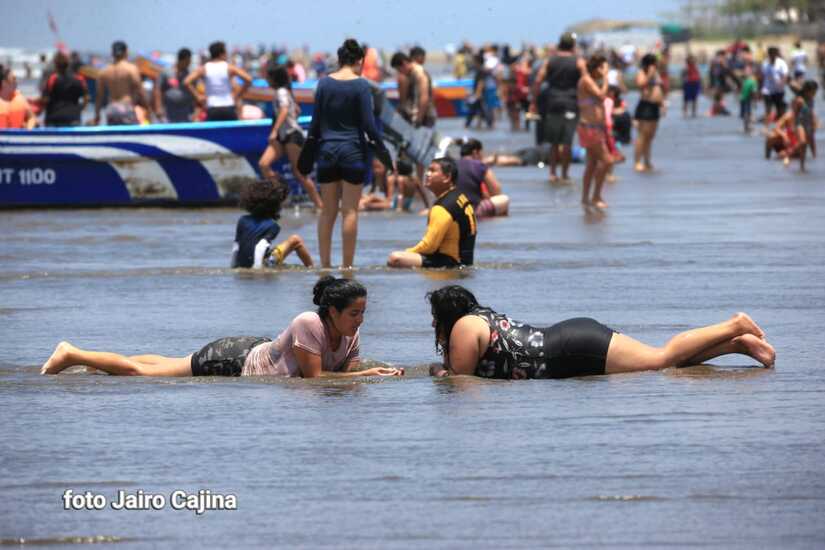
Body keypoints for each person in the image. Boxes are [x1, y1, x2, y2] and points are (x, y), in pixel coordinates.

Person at [42, 276, 404, 378]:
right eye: (354, 313)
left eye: (363, 312)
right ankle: (72, 354)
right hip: (234, 361)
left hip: (251, 349)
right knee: (143, 373)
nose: (360, 320)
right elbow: (316, 379)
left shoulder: (350, 333)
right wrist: (365, 376)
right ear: (332, 311)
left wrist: (376, 374)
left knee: (169, 363)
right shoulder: (309, 322)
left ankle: (98, 364)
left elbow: (346, 371)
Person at [426, 285, 775, 380]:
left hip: (572, 349)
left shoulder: (463, 326)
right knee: (665, 362)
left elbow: (462, 381)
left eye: (434, 318)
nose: (432, 325)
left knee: (661, 359)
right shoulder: (478, 318)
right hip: (571, 341)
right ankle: (736, 345)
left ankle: (734, 324)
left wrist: (436, 371)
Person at [308, 39, 384, 268]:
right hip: (353, 152)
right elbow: (369, 125)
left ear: (339, 60)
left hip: (327, 153)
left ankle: (325, 266)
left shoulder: (323, 84)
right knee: (349, 211)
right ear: (359, 61)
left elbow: (315, 124)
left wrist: (308, 152)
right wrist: (382, 149)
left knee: (327, 211)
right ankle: (347, 268)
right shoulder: (361, 85)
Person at [387, 157, 476, 269]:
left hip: (450, 262)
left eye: (432, 171)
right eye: (428, 170)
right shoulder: (460, 196)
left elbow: (429, 246)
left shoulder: (442, 207)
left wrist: (407, 252)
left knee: (395, 258)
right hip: (464, 261)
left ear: (447, 177)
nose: (427, 174)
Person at [258, 65, 323, 209]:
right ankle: (282, 192)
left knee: (299, 173)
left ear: (274, 79)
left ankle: (319, 205)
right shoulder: (286, 92)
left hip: (292, 135)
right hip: (283, 136)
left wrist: (275, 130)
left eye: (268, 78)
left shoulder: (281, 92)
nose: (266, 80)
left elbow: (284, 109)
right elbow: (297, 110)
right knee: (264, 164)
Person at [530, 32, 585, 183]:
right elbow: (585, 80)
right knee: (567, 141)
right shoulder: (578, 62)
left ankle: (552, 173)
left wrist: (533, 101)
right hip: (571, 103)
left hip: (553, 102)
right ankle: (565, 174)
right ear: (573, 45)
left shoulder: (550, 60)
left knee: (554, 141)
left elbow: (538, 80)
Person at [231, 179, 313, 269]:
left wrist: (234, 266)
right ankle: (311, 268)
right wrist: (257, 269)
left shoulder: (242, 220)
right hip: (261, 264)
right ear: (275, 205)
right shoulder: (273, 225)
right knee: (296, 240)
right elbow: (261, 246)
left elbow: (236, 246)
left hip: (241, 263)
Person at [184, 41, 252, 122]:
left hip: (212, 107)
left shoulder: (204, 68)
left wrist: (198, 97)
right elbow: (248, 79)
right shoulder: (229, 67)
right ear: (221, 54)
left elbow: (187, 82)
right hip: (228, 106)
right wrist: (237, 95)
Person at [577, 54, 611, 208]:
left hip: (595, 127)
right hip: (589, 128)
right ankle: (596, 196)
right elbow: (602, 95)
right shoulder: (586, 80)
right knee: (607, 161)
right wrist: (606, 77)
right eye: (602, 68)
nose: (603, 72)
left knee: (591, 164)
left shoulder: (591, 81)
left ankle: (586, 198)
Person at [94, 41, 148, 126]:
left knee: (114, 134)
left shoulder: (104, 71)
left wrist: (97, 114)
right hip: (126, 107)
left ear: (112, 53)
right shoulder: (131, 69)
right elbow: (140, 91)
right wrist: (147, 108)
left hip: (111, 109)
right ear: (126, 52)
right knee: (130, 133)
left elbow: (99, 96)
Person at [456, 138, 509, 218]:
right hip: (473, 210)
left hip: (451, 209)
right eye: (481, 154)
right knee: (504, 199)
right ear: (475, 152)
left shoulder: (451, 165)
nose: (482, 157)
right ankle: (496, 223)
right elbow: (496, 192)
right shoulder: (479, 166)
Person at [633, 53, 664, 172]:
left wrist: (662, 104)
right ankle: (637, 162)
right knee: (642, 136)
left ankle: (647, 161)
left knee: (650, 137)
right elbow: (640, 85)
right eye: (654, 63)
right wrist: (650, 75)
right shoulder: (642, 73)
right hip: (645, 106)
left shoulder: (656, 73)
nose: (656, 65)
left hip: (655, 106)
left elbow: (658, 88)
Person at [41, 51, 88, 127]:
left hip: (53, 118)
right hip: (73, 117)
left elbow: (45, 99)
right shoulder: (78, 79)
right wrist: (80, 108)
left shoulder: (52, 79)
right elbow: (86, 97)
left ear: (56, 65)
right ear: (68, 64)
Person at [154, 48, 196, 123]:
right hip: (169, 111)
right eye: (187, 61)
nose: (189, 64)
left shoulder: (190, 74)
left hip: (186, 111)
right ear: (181, 60)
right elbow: (158, 89)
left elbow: (195, 91)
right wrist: (158, 107)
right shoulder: (166, 72)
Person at [0, 64, 37, 129]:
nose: (16, 82)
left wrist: (28, 129)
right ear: (4, 83)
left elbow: (32, 118)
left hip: (17, 134)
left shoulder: (19, 98)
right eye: (13, 79)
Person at [761, 46, 789, 122]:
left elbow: (785, 75)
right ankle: (766, 127)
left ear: (776, 54)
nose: (772, 56)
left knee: (780, 111)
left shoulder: (781, 63)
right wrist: (759, 89)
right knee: (768, 110)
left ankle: (780, 126)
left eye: (774, 54)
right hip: (767, 90)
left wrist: (782, 83)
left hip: (779, 90)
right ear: (769, 54)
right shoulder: (765, 63)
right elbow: (762, 76)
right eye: (771, 54)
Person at [740, 63, 758, 133]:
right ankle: (746, 127)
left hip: (748, 100)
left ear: (751, 72)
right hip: (743, 99)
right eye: (745, 70)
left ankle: (750, 127)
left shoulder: (752, 81)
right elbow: (742, 90)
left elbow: (754, 91)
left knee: (748, 114)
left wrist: (755, 101)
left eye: (747, 71)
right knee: (744, 114)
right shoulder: (745, 80)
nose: (745, 72)